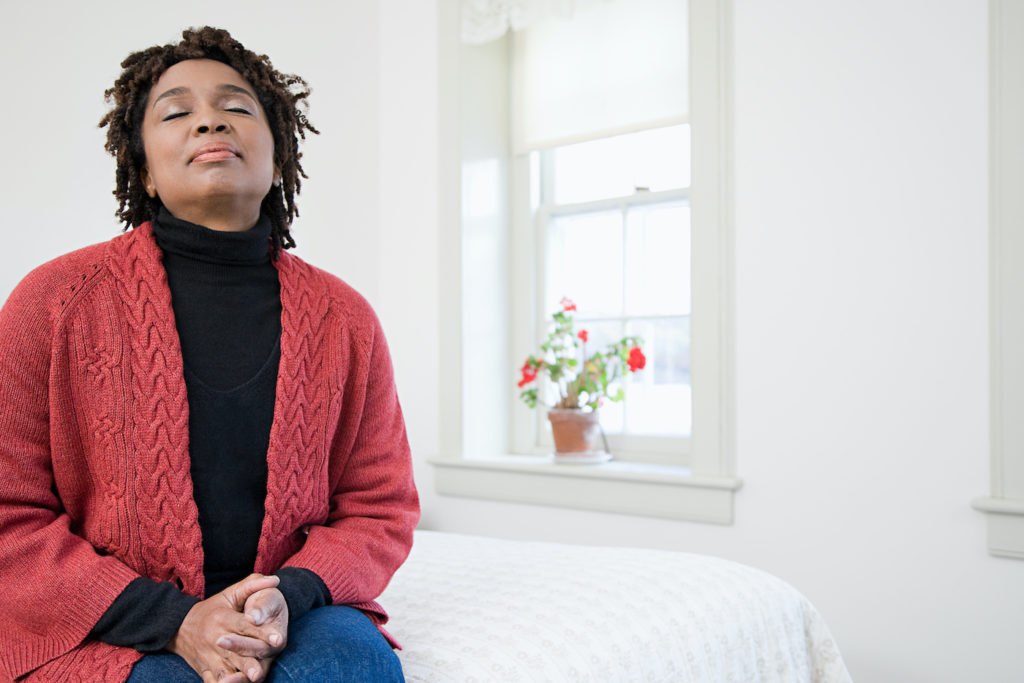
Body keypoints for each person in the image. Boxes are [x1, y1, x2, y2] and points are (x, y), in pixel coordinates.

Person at [0, 26, 419, 683]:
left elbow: (379, 507)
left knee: (349, 667)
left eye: (237, 106)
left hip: (293, 609)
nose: (210, 121)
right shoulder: (50, 303)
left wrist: (294, 590)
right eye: (176, 112)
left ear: (279, 157)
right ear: (142, 167)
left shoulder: (346, 320)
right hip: (110, 620)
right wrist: (175, 620)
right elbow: (9, 517)